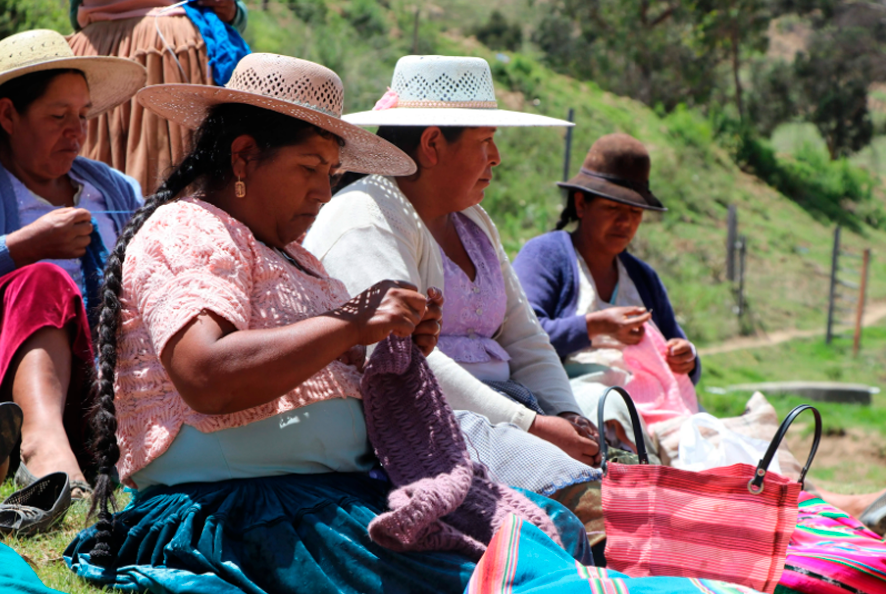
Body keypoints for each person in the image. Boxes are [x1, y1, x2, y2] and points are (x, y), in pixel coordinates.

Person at [65, 53, 591, 594]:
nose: (323, 191)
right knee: (495, 580)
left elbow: (328, 354)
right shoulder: (188, 229)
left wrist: (394, 345)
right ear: (244, 157)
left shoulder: (298, 259)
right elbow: (205, 375)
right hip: (245, 511)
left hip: (326, 496)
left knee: (543, 535)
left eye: (331, 174)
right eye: (308, 169)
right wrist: (351, 324)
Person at [305, 55, 604, 503]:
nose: (496, 158)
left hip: (506, 412)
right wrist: (535, 428)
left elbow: (525, 336)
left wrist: (565, 413)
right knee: (582, 498)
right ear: (432, 144)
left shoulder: (472, 221)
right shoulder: (365, 218)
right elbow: (403, 358)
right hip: (430, 423)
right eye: (485, 141)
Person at [0, 29, 146, 498]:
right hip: (16, 381)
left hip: (108, 383)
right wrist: (22, 247)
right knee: (43, 281)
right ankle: (39, 447)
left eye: (82, 115)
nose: (77, 132)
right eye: (58, 116)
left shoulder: (113, 189)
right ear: (7, 115)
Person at [513, 133, 699, 454]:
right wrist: (595, 326)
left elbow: (681, 353)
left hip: (647, 401)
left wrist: (686, 358)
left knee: (701, 435)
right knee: (610, 409)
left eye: (636, 213)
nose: (625, 222)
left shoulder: (642, 278)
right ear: (581, 204)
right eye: (613, 208)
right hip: (572, 397)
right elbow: (522, 337)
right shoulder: (546, 255)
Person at [68, 0, 249, 194]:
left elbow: (75, 13)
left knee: (100, 194)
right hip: (173, 47)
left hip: (97, 51)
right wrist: (235, 12)